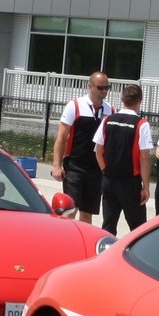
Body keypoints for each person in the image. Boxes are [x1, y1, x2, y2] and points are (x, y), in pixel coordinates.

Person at [51, 72, 112, 223]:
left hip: (96, 169)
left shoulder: (110, 110)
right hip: (75, 166)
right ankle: (65, 242)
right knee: (70, 210)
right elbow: (61, 137)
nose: (104, 91)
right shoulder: (75, 106)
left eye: (107, 88)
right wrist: (57, 165)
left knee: (87, 213)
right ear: (90, 86)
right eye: (100, 88)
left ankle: (84, 244)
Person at [93, 83, 154, 235]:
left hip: (109, 179)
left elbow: (98, 151)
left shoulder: (108, 120)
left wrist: (105, 171)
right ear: (140, 100)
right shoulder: (141, 124)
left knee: (108, 224)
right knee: (138, 227)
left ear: (122, 99)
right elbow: (144, 157)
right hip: (130, 182)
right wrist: (146, 186)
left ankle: (105, 253)